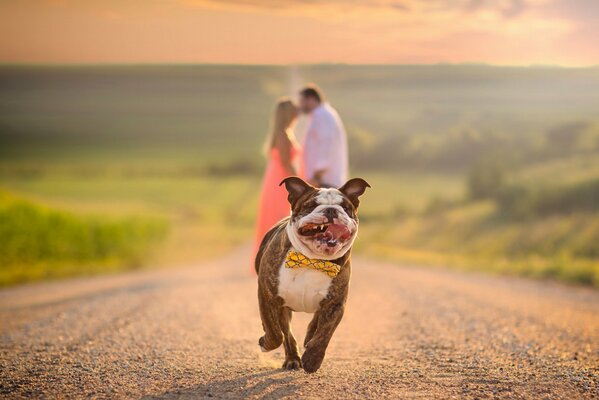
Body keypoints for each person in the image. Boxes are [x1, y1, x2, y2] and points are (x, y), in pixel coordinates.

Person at [253, 98, 302, 259]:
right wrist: (300, 183)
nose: (297, 114)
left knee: (279, 214)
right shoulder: (283, 134)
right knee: (280, 215)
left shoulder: (282, 132)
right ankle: (276, 256)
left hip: (277, 176)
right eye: (294, 111)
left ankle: (278, 256)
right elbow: (286, 162)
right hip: (281, 178)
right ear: (288, 114)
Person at [298, 85, 348, 188]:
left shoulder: (323, 116)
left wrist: (316, 177)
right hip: (322, 180)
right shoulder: (321, 115)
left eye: (302, 101)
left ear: (311, 99)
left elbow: (326, 146)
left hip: (324, 181)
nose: (300, 105)